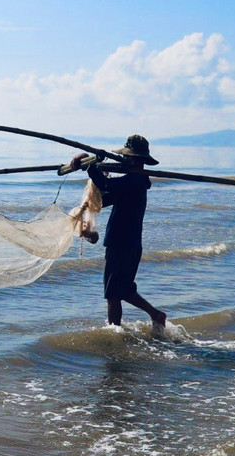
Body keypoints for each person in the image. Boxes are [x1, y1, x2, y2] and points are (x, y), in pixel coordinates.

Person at [68, 135, 171, 336]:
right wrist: (85, 208)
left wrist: (90, 165)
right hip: (129, 244)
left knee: (113, 293)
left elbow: (108, 186)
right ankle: (156, 315)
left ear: (135, 161)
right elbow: (106, 197)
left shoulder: (135, 181)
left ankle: (114, 332)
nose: (126, 161)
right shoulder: (136, 182)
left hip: (122, 243)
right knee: (124, 289)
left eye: (129, 159)